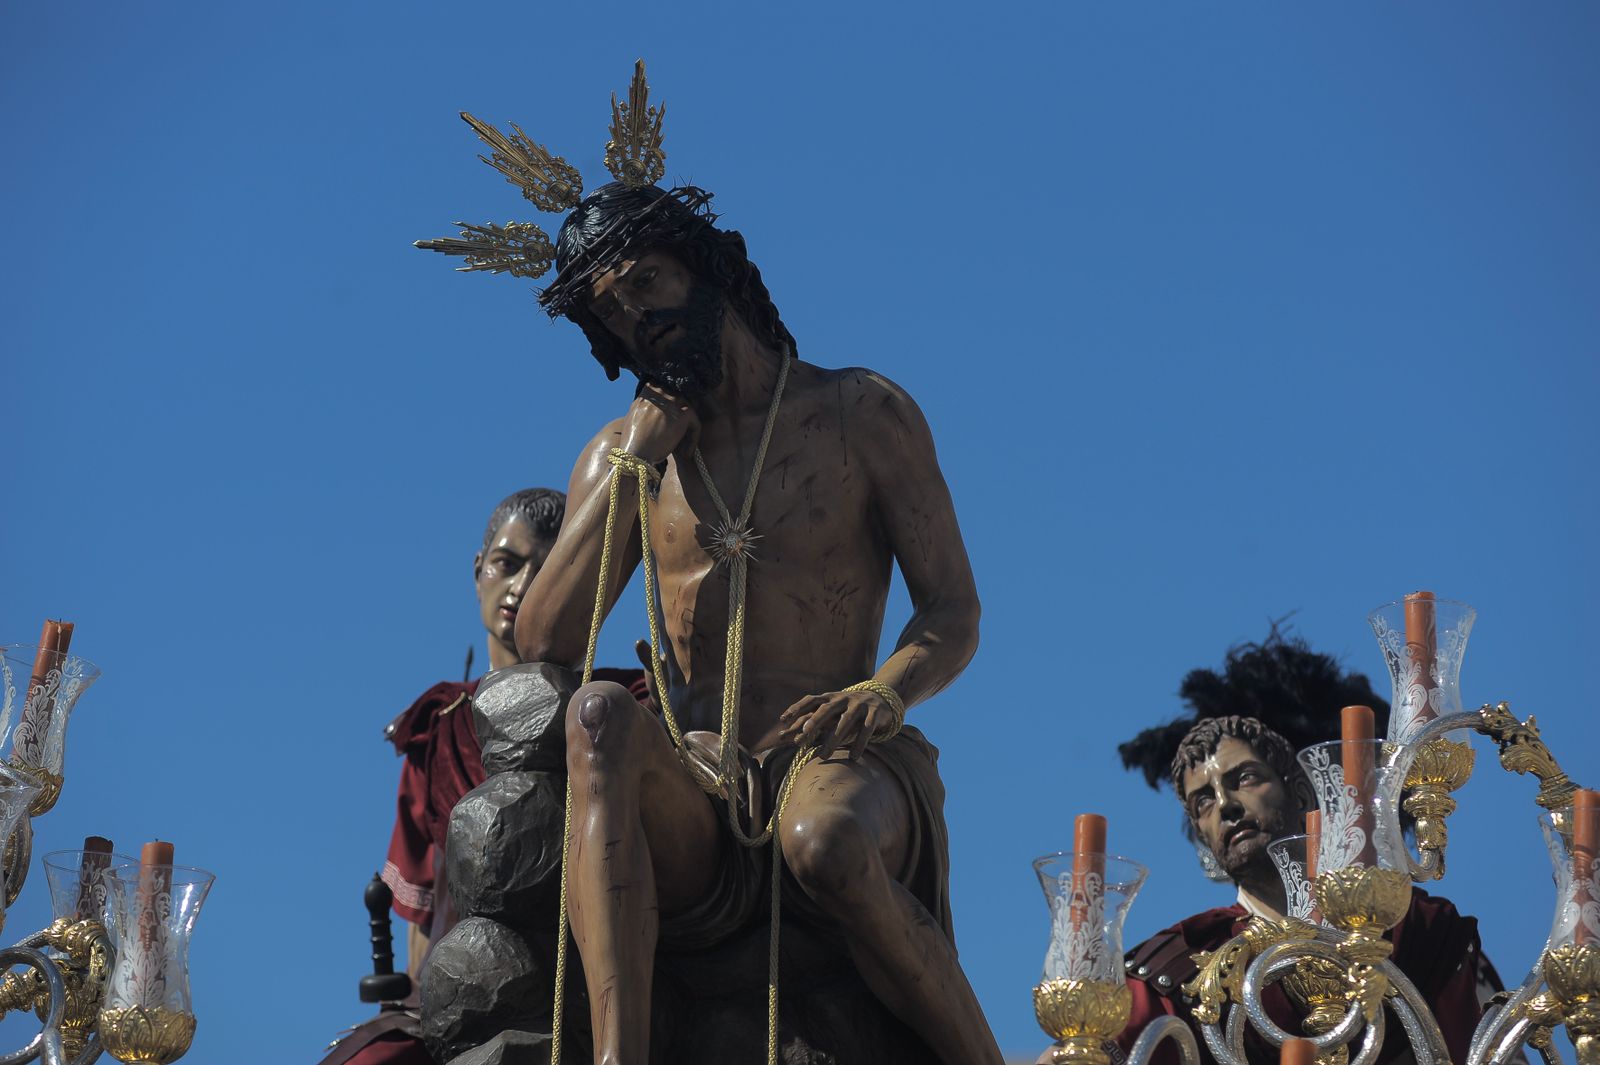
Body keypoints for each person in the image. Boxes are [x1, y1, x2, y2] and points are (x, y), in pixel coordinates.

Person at [511, 178, 998, 1064]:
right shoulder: (621, 458)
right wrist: (635, 464)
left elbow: (953, 610)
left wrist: (887, 693)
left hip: (840, 750)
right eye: (610, 312)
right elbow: (545, 639)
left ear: (707, 269)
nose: (637, 319)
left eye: (646, 282)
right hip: (701, 772)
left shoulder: (860, 412)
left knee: (825, 841)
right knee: (600, 716)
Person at [320, 488, 646, 1065]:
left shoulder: (620, 708)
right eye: (508, 562)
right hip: (456, 999)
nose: (522, 585)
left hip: (585, 989)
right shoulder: (437, 731)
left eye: (548, 569)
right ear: (479, 571)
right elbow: (425, 918)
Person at [1086, 631, 1503, 1065]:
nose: (1226, 806)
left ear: (1302, 794)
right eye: (1203, 801)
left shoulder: (1420, 930)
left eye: (1244, 778)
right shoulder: (1175, 969)